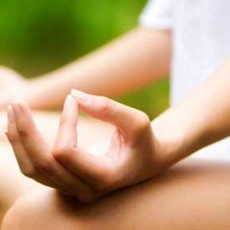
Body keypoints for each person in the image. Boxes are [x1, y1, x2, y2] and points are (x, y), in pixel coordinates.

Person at [1, 0, 230, 229]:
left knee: (40, 218)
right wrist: (27, 94)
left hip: (208, 152)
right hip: (197, 149)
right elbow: (177, 28)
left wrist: (164, 142)